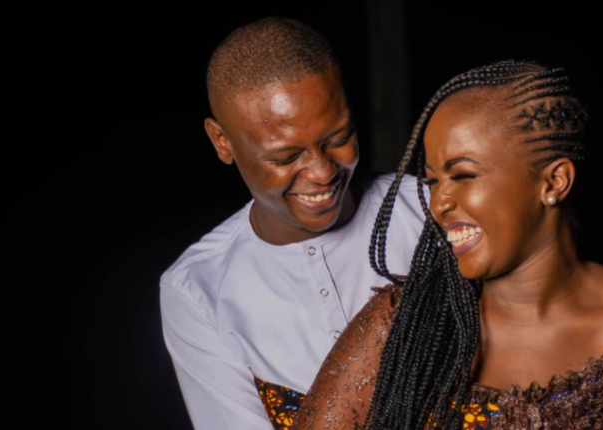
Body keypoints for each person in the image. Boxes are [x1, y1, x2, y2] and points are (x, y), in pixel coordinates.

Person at [294, 60, 603, 429]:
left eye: (463, 175)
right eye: (432, 180)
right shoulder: (401, 322)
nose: (439, 202)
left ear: (554, 181)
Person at [158, 17, 427, 430]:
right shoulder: (197, 290)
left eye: (339, 138)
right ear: (221, 141)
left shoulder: (432, 212)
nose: (322, 172)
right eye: (285, 157)